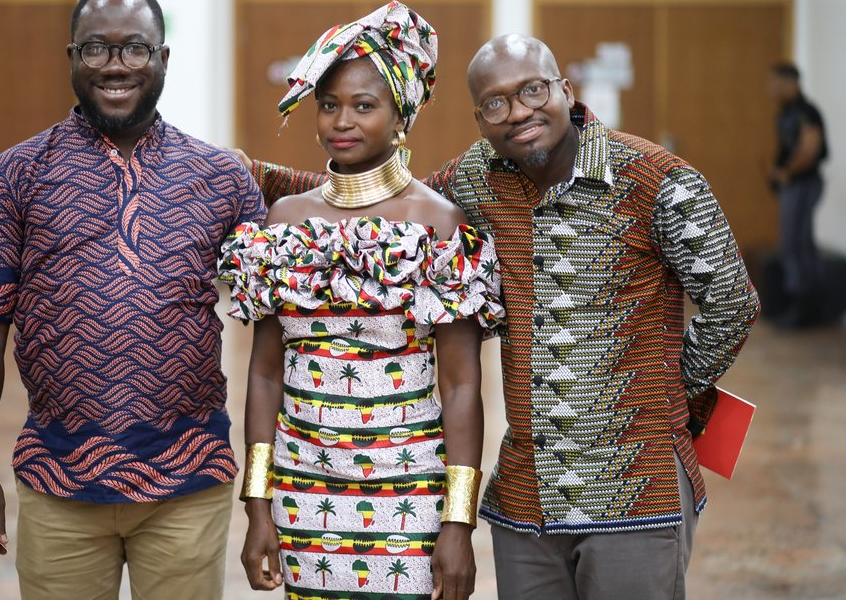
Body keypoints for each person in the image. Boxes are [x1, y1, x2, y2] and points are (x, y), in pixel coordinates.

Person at [239, 34, 760, 599]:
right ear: (479, 119)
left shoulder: (656, 179)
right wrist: (246, 172)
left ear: (565, 88)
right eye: (495, 103)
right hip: (526, 497)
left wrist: (668, 397)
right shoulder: (479, 177)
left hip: (634, 484)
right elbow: (378, 201)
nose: (518, 113)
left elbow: (733, 302)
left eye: (532, 90)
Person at [0, 0, 265, 600]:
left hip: (190, 480)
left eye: (135, 49)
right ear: (71, 58)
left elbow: (276, 323)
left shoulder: (220, 177)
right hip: (57, 480)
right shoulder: (13, 175)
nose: (115, 66)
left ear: (164, 59)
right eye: (96, 48)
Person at [219, 1, 504, 600]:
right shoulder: (286, 222)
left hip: (409, 498)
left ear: (400, 115)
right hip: (303, 491)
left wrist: (458, 522)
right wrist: (257, 506)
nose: (340, 121)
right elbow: (266, 375)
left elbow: (460, 387)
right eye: (328, 104)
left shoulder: (439, 223)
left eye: (363, 105)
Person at [767, 62, 828, 328]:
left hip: (803, 184)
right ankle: (805, 306)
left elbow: (810, 147)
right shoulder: (787, 112)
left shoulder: (806, 111)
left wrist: (787, 173)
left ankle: (804, 308)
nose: (769, 88)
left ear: (789, 82)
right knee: (798, 242)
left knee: (794, 243)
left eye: (774, 82)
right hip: (794, 184)